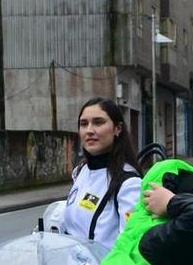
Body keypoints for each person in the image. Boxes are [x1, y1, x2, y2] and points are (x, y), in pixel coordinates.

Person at [54, 97, 144, 249]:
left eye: (98, 122)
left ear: (117, 129)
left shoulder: (129, 183)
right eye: (84, 124)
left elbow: (131, 245)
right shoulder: (81, 171)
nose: (89, 130)